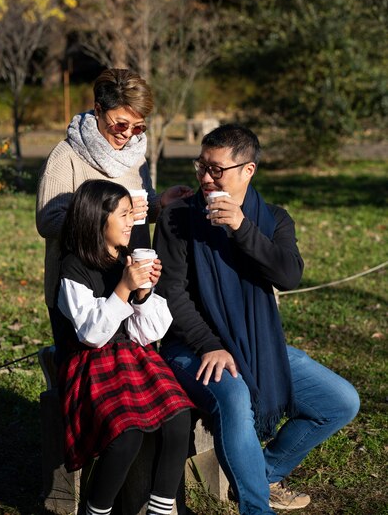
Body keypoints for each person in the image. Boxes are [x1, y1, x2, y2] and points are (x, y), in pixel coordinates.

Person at [153, 124, 360, 515]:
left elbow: (288, 274)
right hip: (191, 346)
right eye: (201, 166)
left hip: (258, 344)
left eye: (217, 170)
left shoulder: (273, 220)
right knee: (234, 395)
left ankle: (263, 471)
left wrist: (240, 228)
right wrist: (209, 344)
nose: (205, 177)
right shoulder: (178, 218)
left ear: (248, 170)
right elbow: (170, 294)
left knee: (341, 401)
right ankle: (255, 507)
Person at [53, 179, 193, 515]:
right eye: (125, 214)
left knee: (179, 415)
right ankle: (96, 509)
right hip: (89, 363)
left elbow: (149, 331)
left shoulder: (128, 259)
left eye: (132, 213)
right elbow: (92, 334)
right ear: (97, 219)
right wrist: (123, 288)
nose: (133, 221)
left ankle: (162, 505)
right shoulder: (74, 268)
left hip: (135, 354)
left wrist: (143, 293)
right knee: (126, 432)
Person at [36, 67, 193, 316]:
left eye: (138, 127)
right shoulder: (66, 157)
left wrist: (160, 203)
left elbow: (139, 211)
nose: (128, 135)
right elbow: (48, 221)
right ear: (98, 110)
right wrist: (111, 213)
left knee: (140, 356)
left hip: (133, 281)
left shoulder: (135, 156)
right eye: (121, 125)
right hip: (81, 290)